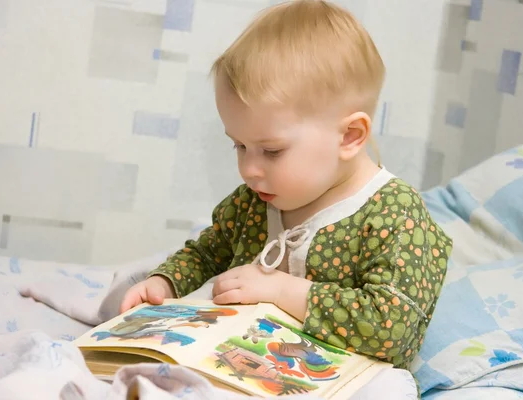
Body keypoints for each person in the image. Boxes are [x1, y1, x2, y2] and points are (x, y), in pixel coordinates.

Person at [120, 0, 452, 372]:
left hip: (343, 375)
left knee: (391, 390)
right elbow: (206, 252)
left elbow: (394, 329)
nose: (248, 168)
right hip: (247, 361)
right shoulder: (252, 203)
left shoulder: (395, 213)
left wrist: (280, 290)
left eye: (272, 151)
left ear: (349, 137)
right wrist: (166, 282)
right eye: (239, 145)